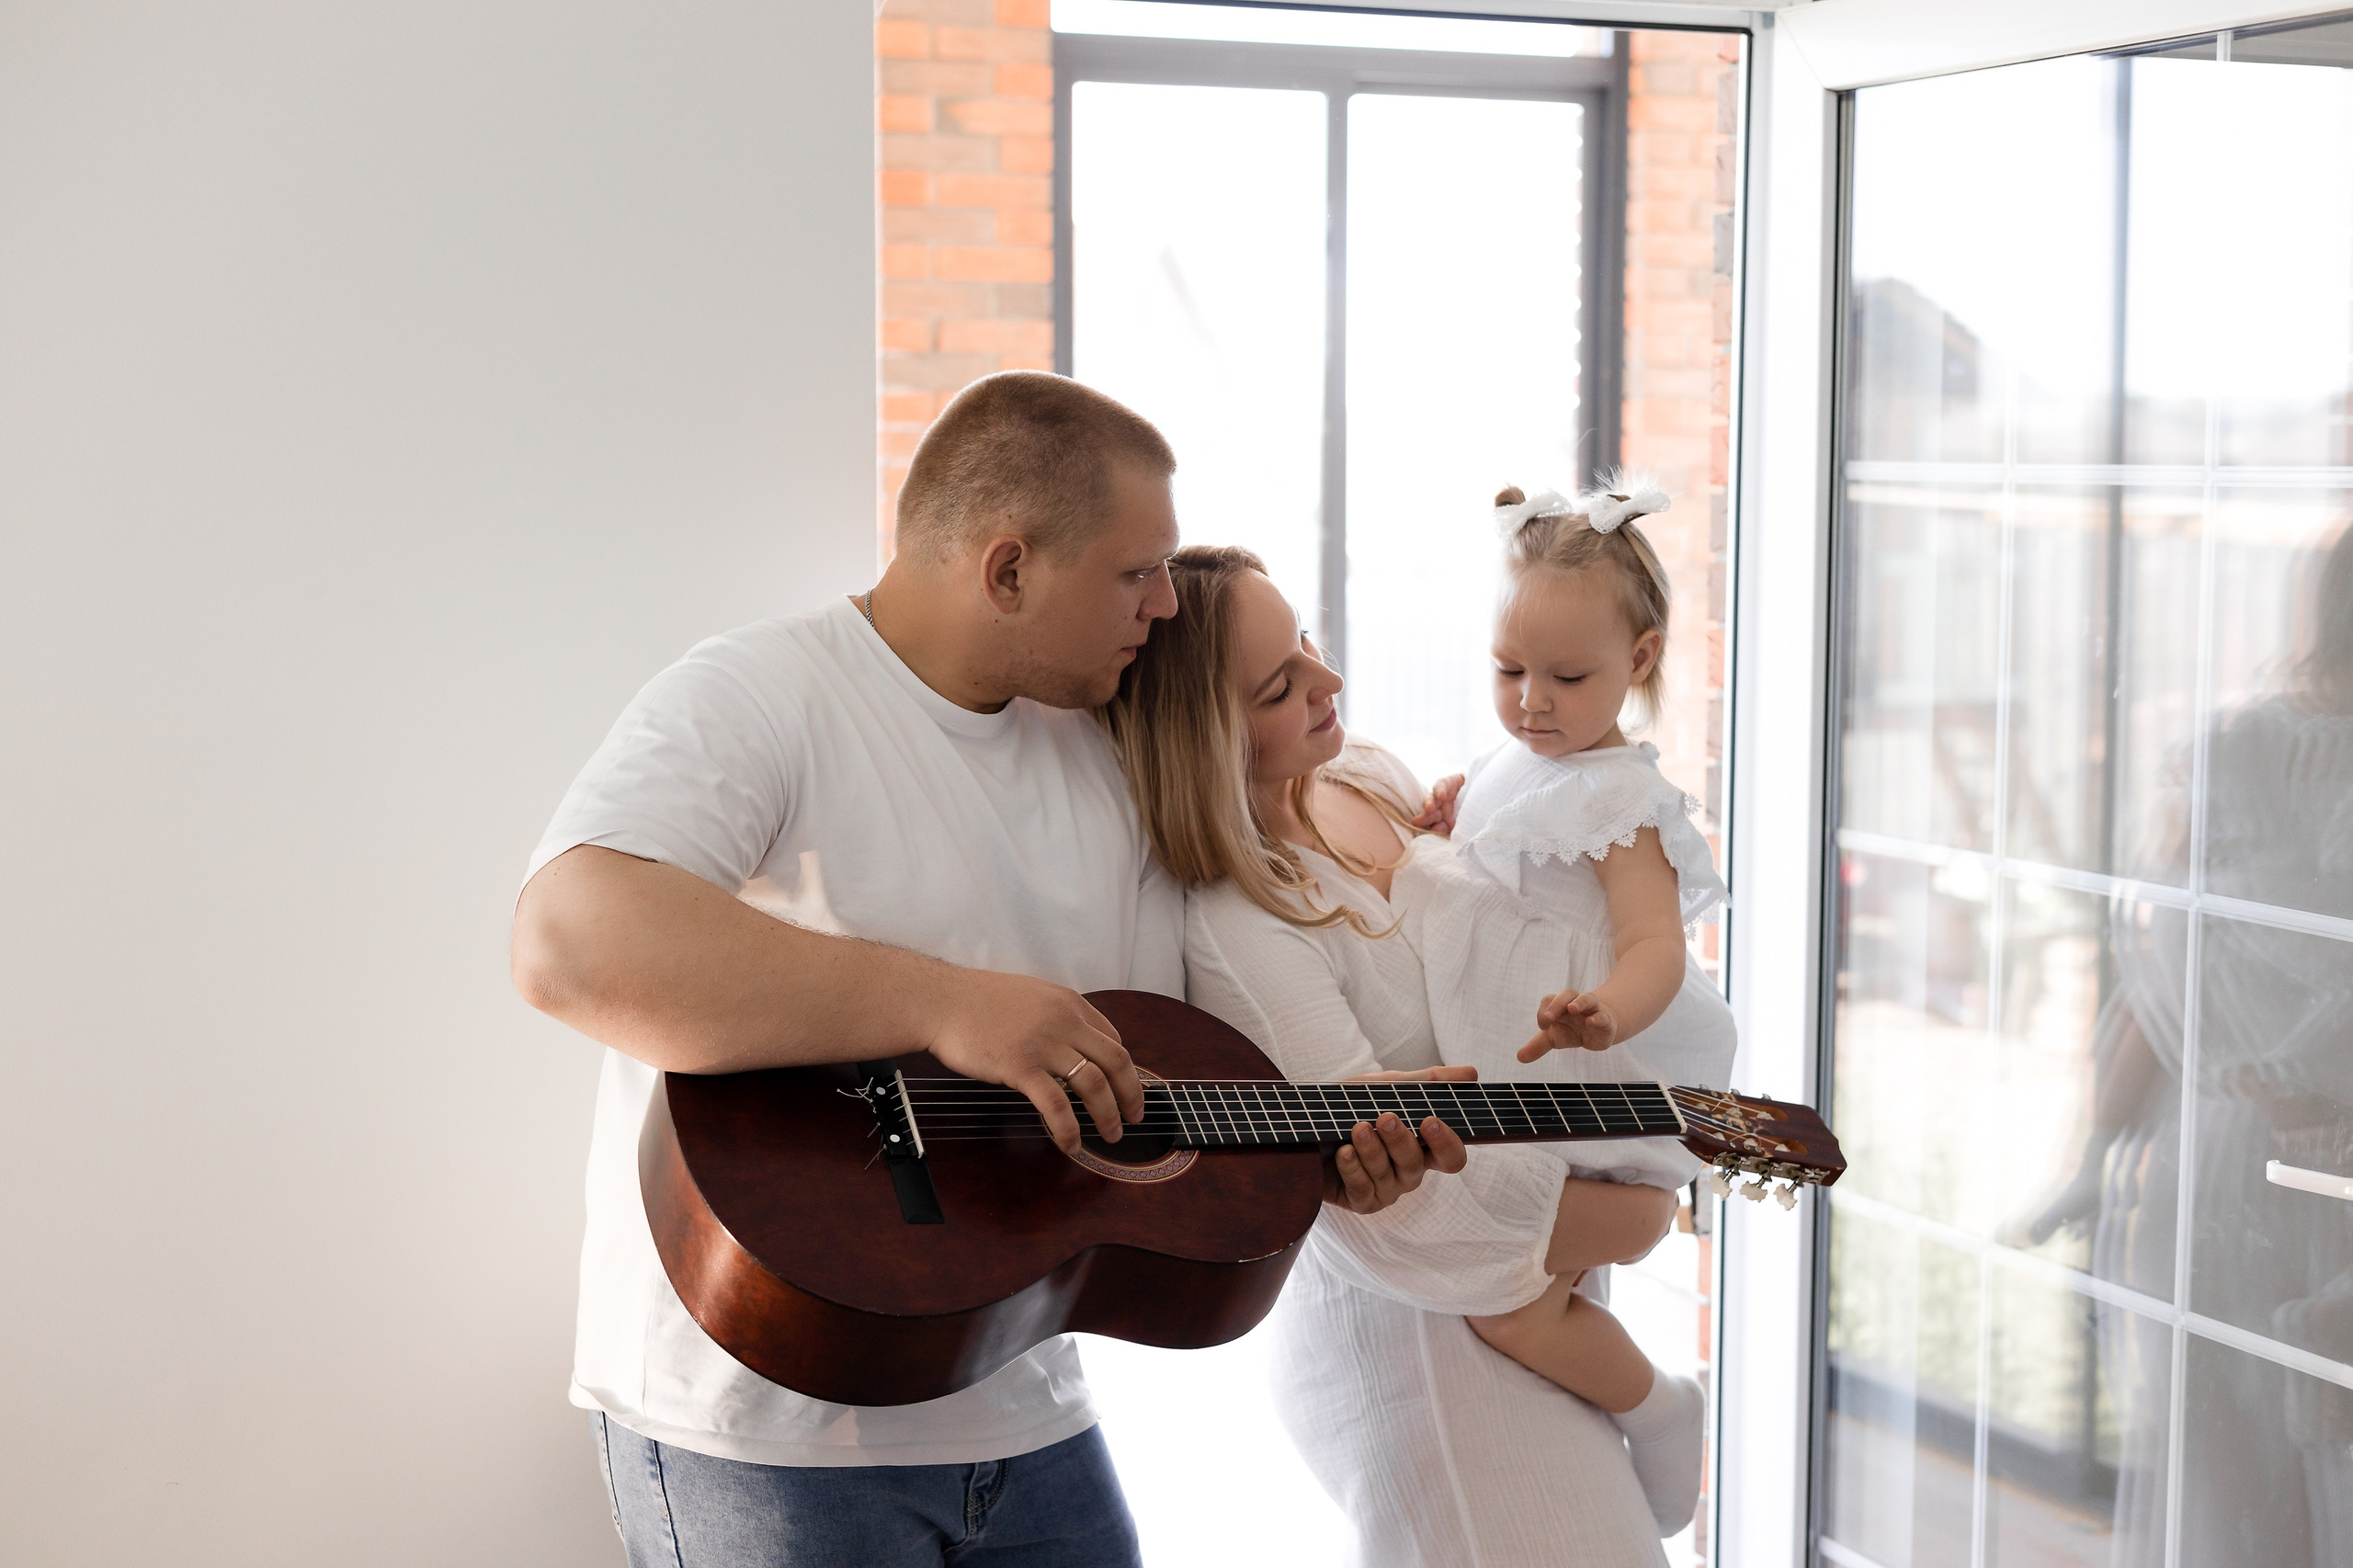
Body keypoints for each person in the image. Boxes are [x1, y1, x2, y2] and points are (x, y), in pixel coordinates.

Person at [509, 372, 1465, 1568]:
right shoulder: (763, 694)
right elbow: (571, 940)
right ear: (1007, 569)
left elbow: (1167, 1074)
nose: (1166, 606)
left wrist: (1321, 1156)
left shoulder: (1106, 754)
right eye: (1135, 571)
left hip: (1021, 1396)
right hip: (764, 1422)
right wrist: (946, 1003)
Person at [1102, 543, 1684, 1568]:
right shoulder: (1237, 926)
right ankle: (1667, 1407)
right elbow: (1401, 1191)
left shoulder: (1358, 771)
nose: (1328, 682)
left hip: (1536, 1270)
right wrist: (1630, 1216)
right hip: (1429, 1337)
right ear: (1205, 738)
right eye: (1282, 684)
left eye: (1310, 646)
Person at [1392, 479, 1729, 1524]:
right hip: (1523, 1068)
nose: (1531, 699)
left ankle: (1664, 1407)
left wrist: (1608, 1011)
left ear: (1638, 660)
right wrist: (1454, 822)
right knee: (1543, 1267)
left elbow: (1654, 944)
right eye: (1508, 670)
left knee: (1514, 1307)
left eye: (1564, 676)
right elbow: (1501, 857)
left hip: (1594, 1062)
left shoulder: (1622, 798)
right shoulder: (1518, 756)